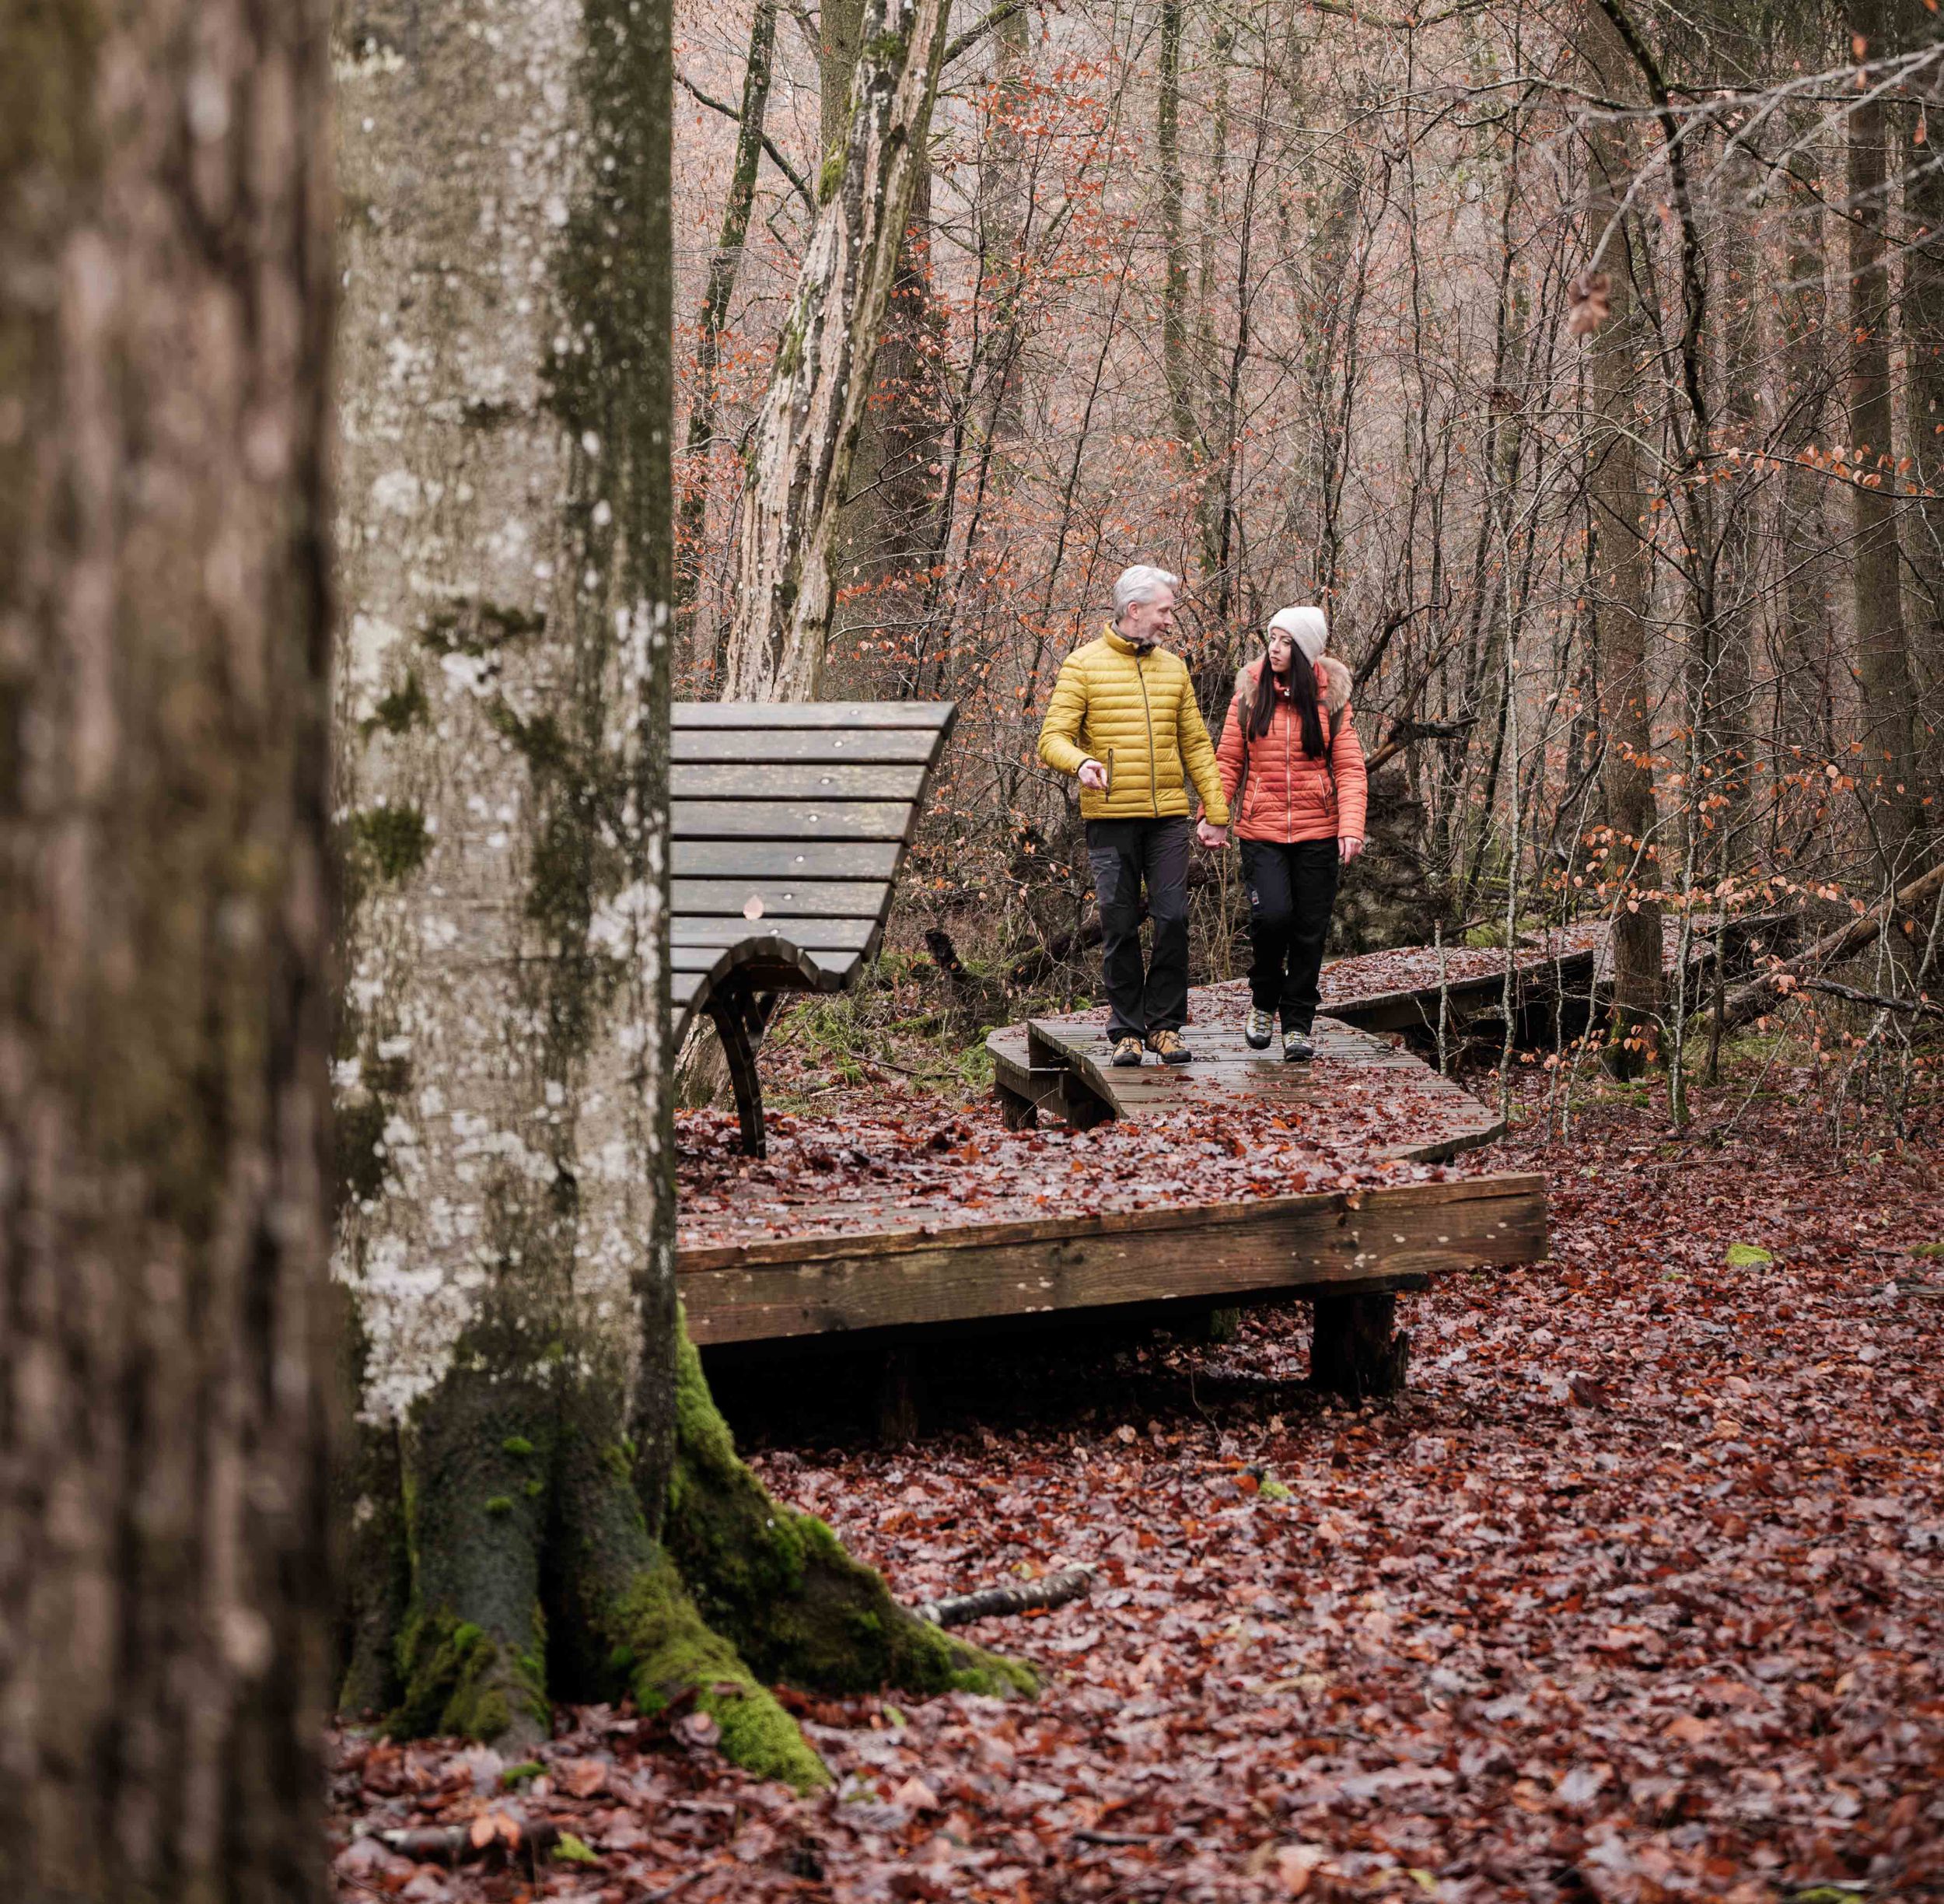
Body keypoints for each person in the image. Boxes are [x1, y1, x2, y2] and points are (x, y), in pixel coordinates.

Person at [1038, 565, 1232, 1067]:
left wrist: (1217, 810)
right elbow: (1051, 738)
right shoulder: (1082, 666)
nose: (1170, 620)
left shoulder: (1174, 668)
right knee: (1120, 924)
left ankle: (1165, 1027)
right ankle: (1125, 1031)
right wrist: (1080, 762)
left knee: (1173, 918)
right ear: (1135, 610)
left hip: (1168, 817)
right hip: (1110, 819)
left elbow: (1194, 743)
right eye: (1165, 610)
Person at [1214, 605, 1368, 1062]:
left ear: (1303, 652)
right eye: (1272, 639)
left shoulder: (1330, 700)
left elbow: (1350, 769)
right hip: (1260, 831)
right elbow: (1226, 763)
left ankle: (1298, 1023)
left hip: (1318, 832)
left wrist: (1351, 826)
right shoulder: (1249, 694)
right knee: (1272, 918)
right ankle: (1264, 1003)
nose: (1274, 649)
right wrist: (1213, 815)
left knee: (1308, 930)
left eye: (1284, 642)